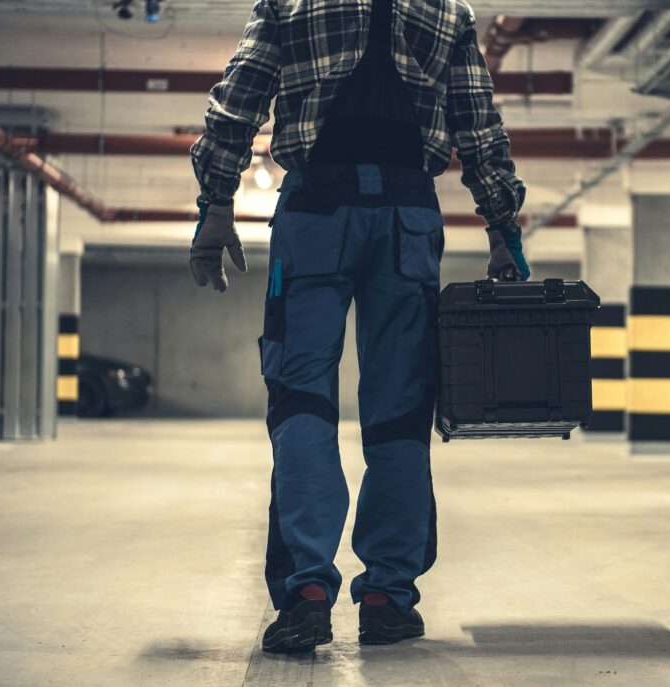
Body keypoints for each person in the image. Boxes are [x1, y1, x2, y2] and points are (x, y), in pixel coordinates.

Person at [189, 0, 527, 653]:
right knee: (400, 409)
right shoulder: (446, 11)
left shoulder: (291, 2)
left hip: (316, 212)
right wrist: (503, 229)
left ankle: (307, 594)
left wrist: (215, 203)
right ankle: (387, 597)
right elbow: (480, 126)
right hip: (407, 218)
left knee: (302, 399)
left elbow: (239, 98)